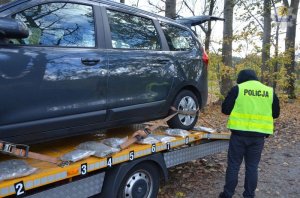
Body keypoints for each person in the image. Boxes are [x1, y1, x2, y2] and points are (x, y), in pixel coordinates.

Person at [219, 69, 280, 198]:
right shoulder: (269, 91)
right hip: (258, 137)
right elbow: (276, 113)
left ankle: (227, 194)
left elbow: (225, 109)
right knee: (252, 167)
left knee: (234, 165)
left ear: (241, 79)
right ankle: (249, 195)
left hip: (238, 136)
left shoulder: (238, 89)